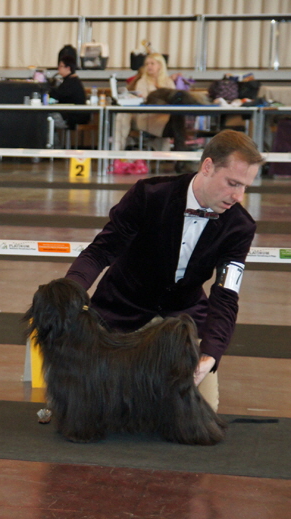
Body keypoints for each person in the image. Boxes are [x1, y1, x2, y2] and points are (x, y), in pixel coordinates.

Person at [65, 130, 265, 410]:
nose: (238, 196)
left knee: (202, 410)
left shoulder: (240, 226)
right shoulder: (148, 194)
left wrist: (210, 354)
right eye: (232, 183)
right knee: (91, 406)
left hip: (184, 317)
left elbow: (226, 294)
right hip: (121, 307)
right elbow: (101, 251)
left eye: (245, 186)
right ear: (207, 167)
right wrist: (70, 290)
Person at [112, 52, 176, 151]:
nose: (149, 66)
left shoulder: (168, 82)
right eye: (147, 64)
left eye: (152, 63)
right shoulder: (142, 82)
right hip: (147, 117)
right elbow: (144, 101)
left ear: (160, 65)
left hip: (165, 116)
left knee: (173, 123)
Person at [48, 55, 91, 131]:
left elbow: (58, 95)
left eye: (61, 66)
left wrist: (48, 88)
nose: (58, 68)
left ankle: (53, 142)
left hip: (73, 117)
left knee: (45, 118)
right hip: (72, 115)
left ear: (68, 68)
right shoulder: (72, 81)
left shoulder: (71, 82)